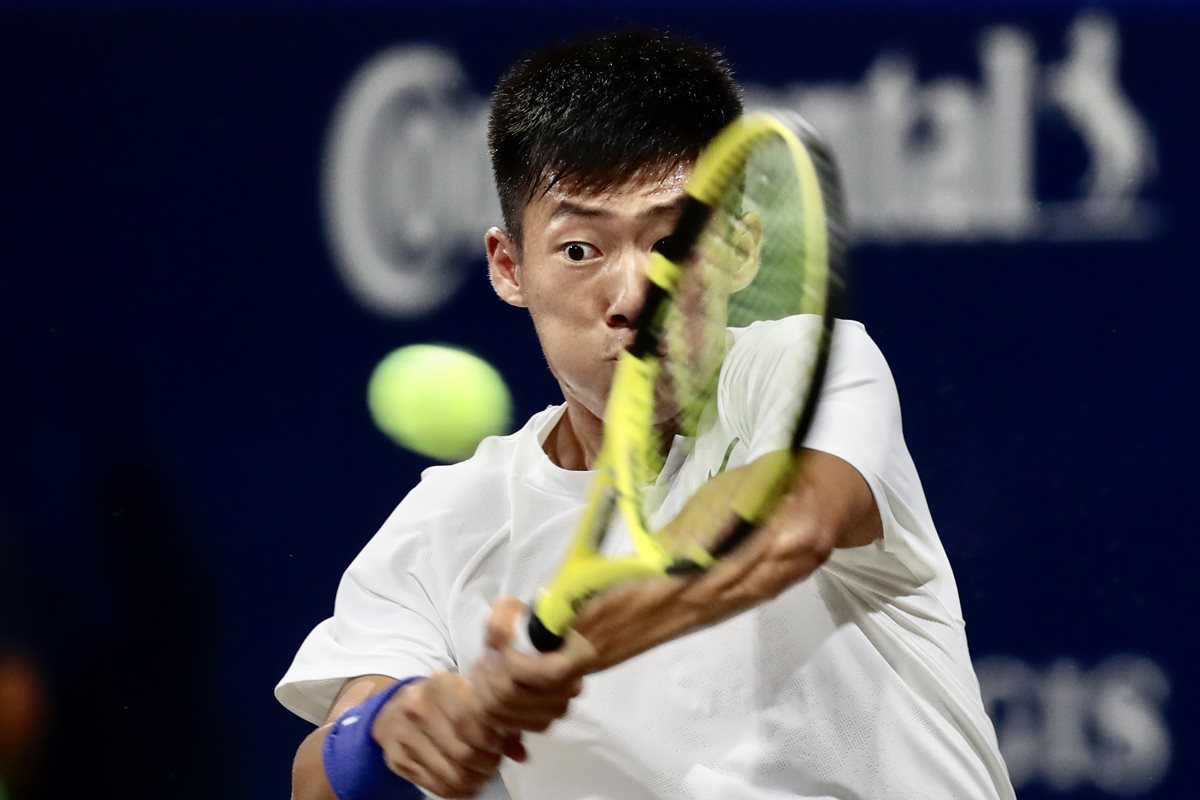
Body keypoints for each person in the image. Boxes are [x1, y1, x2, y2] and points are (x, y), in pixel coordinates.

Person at [279, 28, 1016, 800]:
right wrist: (388, 733)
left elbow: (789, 525)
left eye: (672, 241)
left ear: (740, 246)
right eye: (580, 250)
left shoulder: (806, 369)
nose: (634, 297)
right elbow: (315, 780)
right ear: (509, 267)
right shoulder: (446, 524)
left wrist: (578, 645)